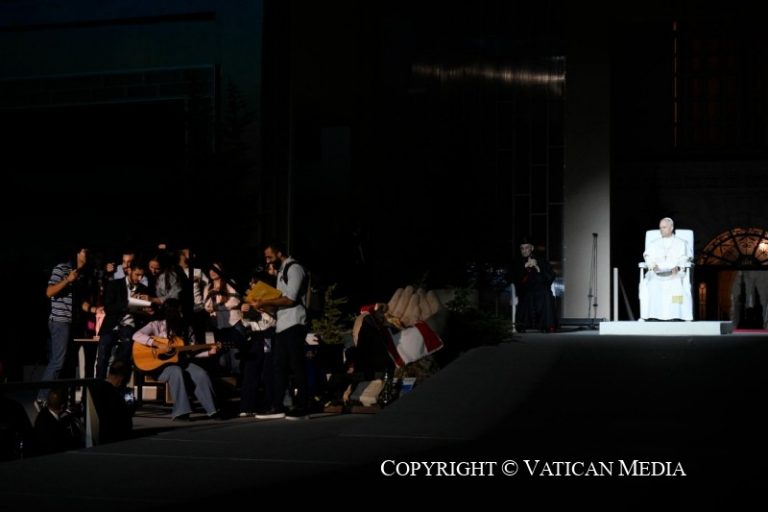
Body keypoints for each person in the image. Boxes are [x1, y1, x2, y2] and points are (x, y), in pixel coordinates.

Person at [250, 243, 310, 420]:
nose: (268, 261)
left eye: (270, 257)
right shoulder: (281, 271)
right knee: (278, 367)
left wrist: (266, 302)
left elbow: (290, 299)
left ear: (280, 253)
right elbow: (280, 303)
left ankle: (303, 406)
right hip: (282, 325)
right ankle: (277, 405)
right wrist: (264, 306)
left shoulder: (294, 268)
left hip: (294, 323)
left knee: (296, 365)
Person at [132, 299, 219, 420]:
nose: (181, 314)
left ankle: (212, 410)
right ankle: (181, 412)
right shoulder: (156, 325)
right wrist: (157, 344)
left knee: (200, 374)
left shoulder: (186, 329)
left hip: (180, 362)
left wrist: (208, 352)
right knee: (176, 371)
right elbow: (136, 336)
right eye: (178, 311)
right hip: (157, 366)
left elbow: (189, 353)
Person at [37, 247, 89, 410]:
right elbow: (49, 292)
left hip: (72, 322)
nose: (87, 255)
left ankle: (63, 401)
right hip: (60, 321)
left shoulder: (82, 274)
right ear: (77, 253)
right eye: (85, 252)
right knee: (58, 361)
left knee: (68, 364)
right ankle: (41, 397)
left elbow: (80, 302)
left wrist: (93, 309)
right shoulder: (62, 268)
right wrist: (67, 280)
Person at [640, 217, 692, 320]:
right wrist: (653, 266)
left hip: (675, 273)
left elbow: (685, 257)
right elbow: (647, 256)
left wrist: (678, 267)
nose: (661, 230)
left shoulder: (681, 243)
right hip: (657, 273)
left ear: (671, 228)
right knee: (652, 283)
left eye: (664, 227)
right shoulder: (654, 243)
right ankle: (653, 314)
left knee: (677, 284)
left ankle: (676, 314)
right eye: (660, 228)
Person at [513, 237, 558, 332]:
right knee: (526, 296)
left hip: (540, 290)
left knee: (546, 294)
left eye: (527, 248)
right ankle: (522, 325)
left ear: (532, 248)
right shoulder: (517, 262)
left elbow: (550, 277)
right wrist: (524, 267)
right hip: (525, 290)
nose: (524, 251)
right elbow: (513, 278)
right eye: (522, 248)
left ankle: (546, 326)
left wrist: (537, 268)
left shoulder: (541, 260)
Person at [89, 360, 134, 444]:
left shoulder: (94, 388)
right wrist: (130, 407)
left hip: (95, 437)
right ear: (122, 378)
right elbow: (124, 421)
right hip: (115, 438)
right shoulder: (115, 395)